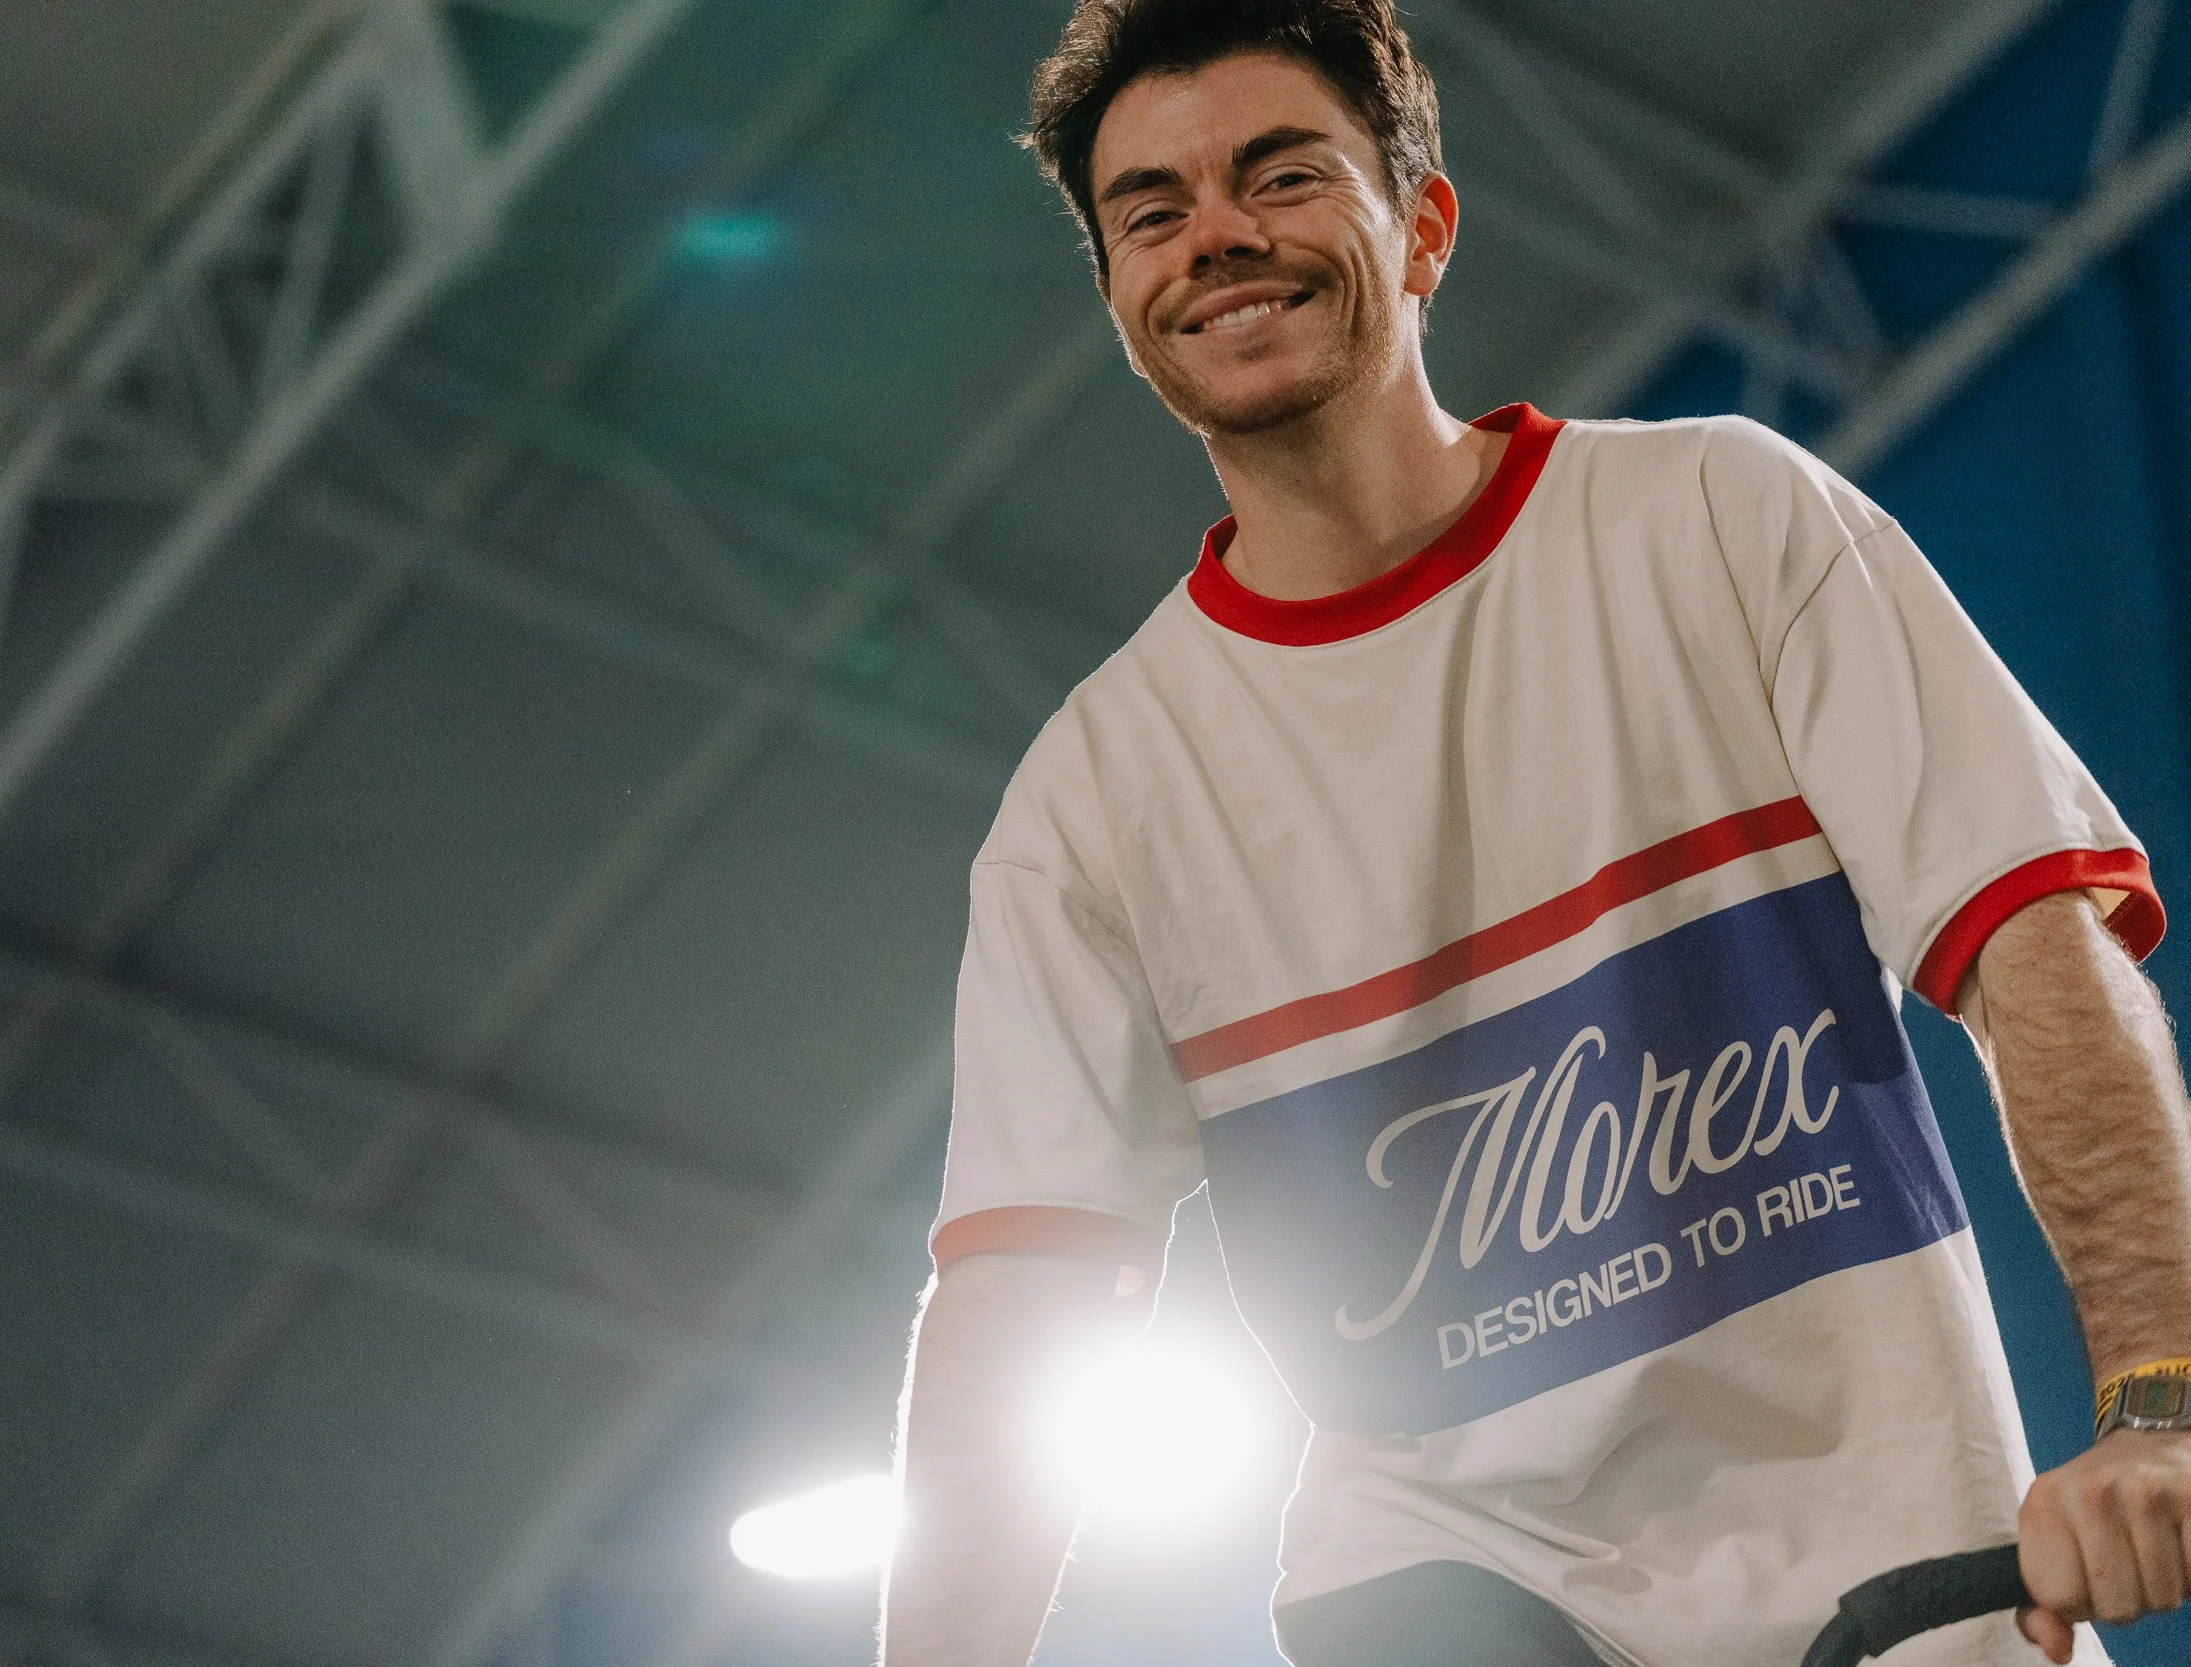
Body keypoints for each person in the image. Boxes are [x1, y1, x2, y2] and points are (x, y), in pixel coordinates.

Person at [875, 2, 2191, 1664]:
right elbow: (1023, 1308)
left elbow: (2036, 950)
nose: (1215, 233)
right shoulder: (1094, 801)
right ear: (1122, 296)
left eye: (1278, 174)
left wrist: (2159, 1403)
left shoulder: (1718, 520)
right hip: (1440, 1579)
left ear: (1422, 227)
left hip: (1904, 1577)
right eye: (1152, 209)